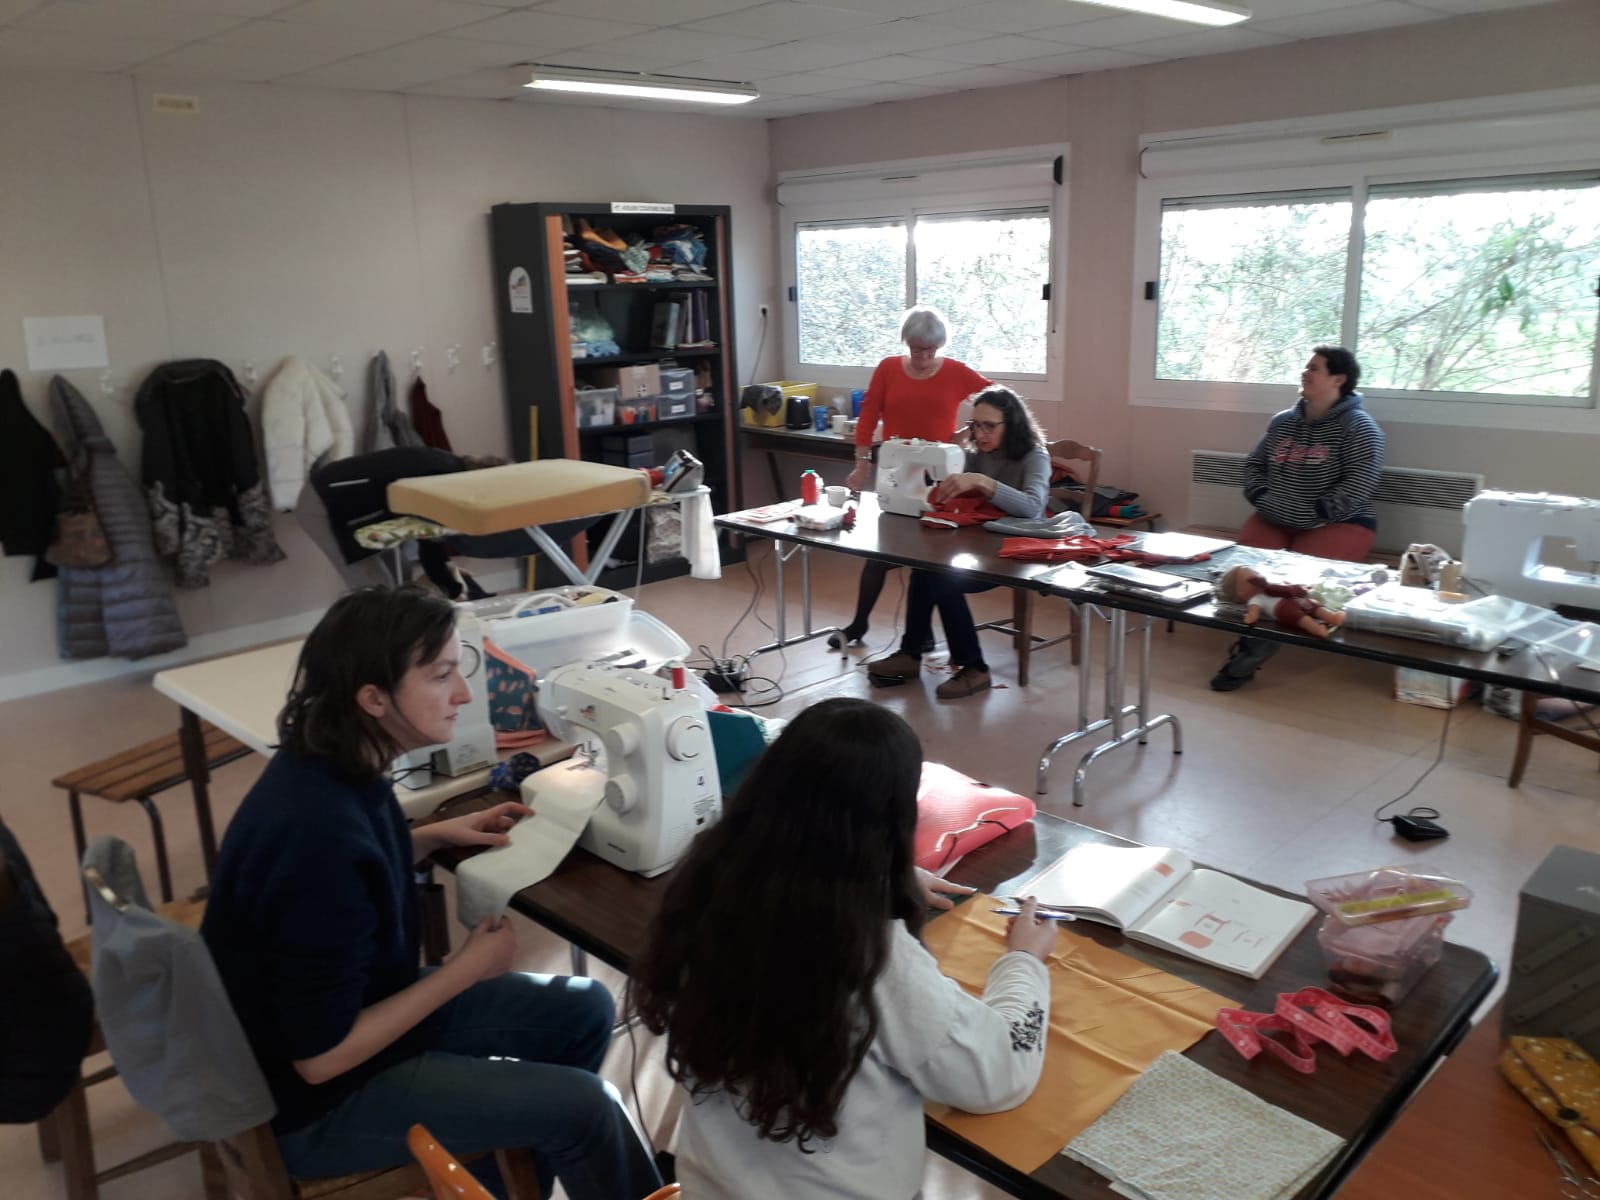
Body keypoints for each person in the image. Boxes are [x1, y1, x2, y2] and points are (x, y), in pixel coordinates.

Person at [200, 585, 660, 1199]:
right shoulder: (318, 841)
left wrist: (427, 837)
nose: (464, 694)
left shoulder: (329, 766)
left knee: (585, 1008)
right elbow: (320, 1057)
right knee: (588, 1108)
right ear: (373, 698)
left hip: (344, 1022)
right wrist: (465, 971)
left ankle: (493, 1184)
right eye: (442, 676)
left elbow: (352, 867)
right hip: (316, 1102)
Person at [629, 698, 1056, 1200]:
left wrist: (873, 880)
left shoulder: (705, 888)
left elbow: (794, 868)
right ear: (894, 820)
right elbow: (995, 1075)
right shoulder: (869, 954)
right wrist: (1024, 962)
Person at [1211, 346, 1384, 691]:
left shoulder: (1360, 427)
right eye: (1306, 367)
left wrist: (1315, 513)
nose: (1305, 373)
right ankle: (1246, 629)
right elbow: (1254, 465)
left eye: (1314, 368)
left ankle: (1248, 654)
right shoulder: (1282, 422)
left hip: (1339, 522)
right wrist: (1262, 498)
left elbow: (1361, 483)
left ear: (1338, 379)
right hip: (1275, 516)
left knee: (1298, 586)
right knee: (1246, 576)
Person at [865, 385, 1051, 699]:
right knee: (925, 568)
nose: (980, 433)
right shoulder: (977, 453)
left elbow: (1033, 508)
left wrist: (982, 481)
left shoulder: (1036, 456)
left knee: (943, 579)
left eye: (989, 426)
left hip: (1019, 551)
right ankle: (911, 654)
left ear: (1013, 424)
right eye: (975, 425)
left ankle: (975, 667)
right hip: (983, 543)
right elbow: (960, 495)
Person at [832, 306, 990, 649]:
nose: (923, 357)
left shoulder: (956, 372)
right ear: (906, 343)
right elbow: (868, 416)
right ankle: (859, 624)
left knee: (930, 559)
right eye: (916, 349)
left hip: (938, 477)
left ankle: (921, 634)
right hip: (896, 472)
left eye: (930, 350)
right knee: (879, 554)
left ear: (940, 346)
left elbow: (999, 400)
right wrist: (862, 464)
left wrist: (968, 430)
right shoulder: (889, 368)